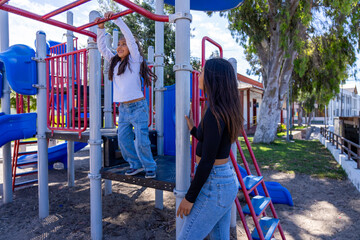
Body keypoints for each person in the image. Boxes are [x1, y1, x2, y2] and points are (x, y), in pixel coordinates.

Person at [177, 58, 243, 239]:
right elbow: (207, 140)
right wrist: (192, 128)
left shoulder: (214, 113)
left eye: (203, 72)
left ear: (213, 79)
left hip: (215, 183)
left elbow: (207, 161)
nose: (199, 75)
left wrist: (189, 198)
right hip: (224, 180)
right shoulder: (222, 110)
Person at [95, 11, 157, 178]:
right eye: (118, 44)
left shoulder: (135, 60)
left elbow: (129, 37)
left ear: (131, 48)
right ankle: (135, 165)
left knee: (142, 141)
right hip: (123, 109)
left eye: (124, 44)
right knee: (123, 141)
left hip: (138, 107)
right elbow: (102, 48)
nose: (120, 46)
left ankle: (149, 166)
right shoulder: (114, 63)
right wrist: (100, 28)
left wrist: (117, 20)